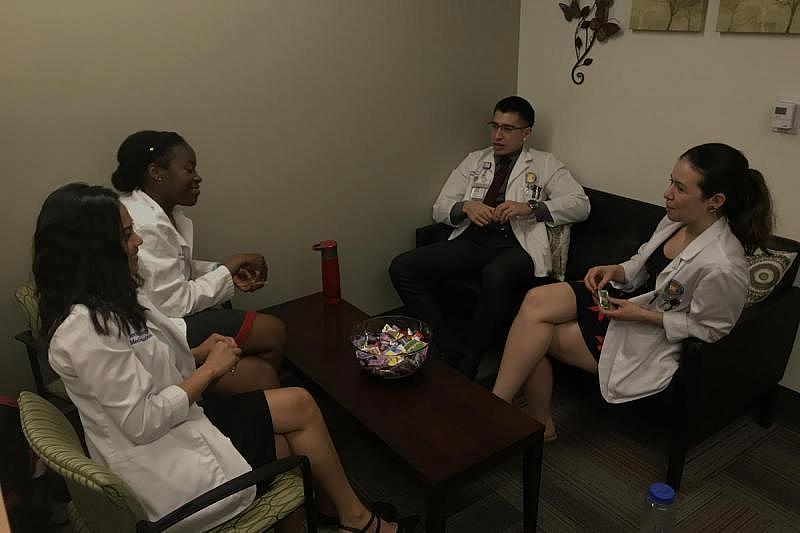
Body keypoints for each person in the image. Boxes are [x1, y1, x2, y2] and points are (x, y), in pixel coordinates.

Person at [34, 183, 417, 533]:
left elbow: (144, 354)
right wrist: (211, 369)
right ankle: (358, 520)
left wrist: (197, 351)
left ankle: (349, 517)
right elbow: (141, 421)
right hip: (163, 466)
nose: (137, 242)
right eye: (125, 235)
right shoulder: (86, 329)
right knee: (289, 433)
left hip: (176, 430)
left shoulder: (112, 298)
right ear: (94, 250)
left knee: (295, 415)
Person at [491, 143, 773, 442]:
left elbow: (712, 328)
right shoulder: (675, 220)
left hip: (649, 333)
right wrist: (616, 270)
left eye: (680, 188)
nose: (667, 193)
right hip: (625, 303)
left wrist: (644, 315)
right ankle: (502, 409)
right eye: (671, 181)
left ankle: (524, 419)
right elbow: (642, 262)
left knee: (534, 334)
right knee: (534, 302)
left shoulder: (723, 264)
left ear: (714, 201)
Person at [389, 96, 590, 378]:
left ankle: (470, 362)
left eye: (508, 129)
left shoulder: (544, 164)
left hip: (516, 245)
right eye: (494, 126)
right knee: (402, 267)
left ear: (526, 133)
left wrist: (530, 207)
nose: (498, 135)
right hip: (473, 240)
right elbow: (440, 207)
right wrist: (465, 207)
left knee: (495, 275)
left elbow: (580, 204)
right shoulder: (475, 160)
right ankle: (447, 344)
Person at [111, 130, 284, 393]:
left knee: (262, 364)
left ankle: (234, 386)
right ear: (157, 172)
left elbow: (174, 267)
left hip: (162, 314)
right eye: (188, 169)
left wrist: (221, 270)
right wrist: (228, 268)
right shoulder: (143, 223)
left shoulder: (164, 211)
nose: (197, 177)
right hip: (156, 327)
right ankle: (214, 392)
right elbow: (174, 302)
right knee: (272, 331)